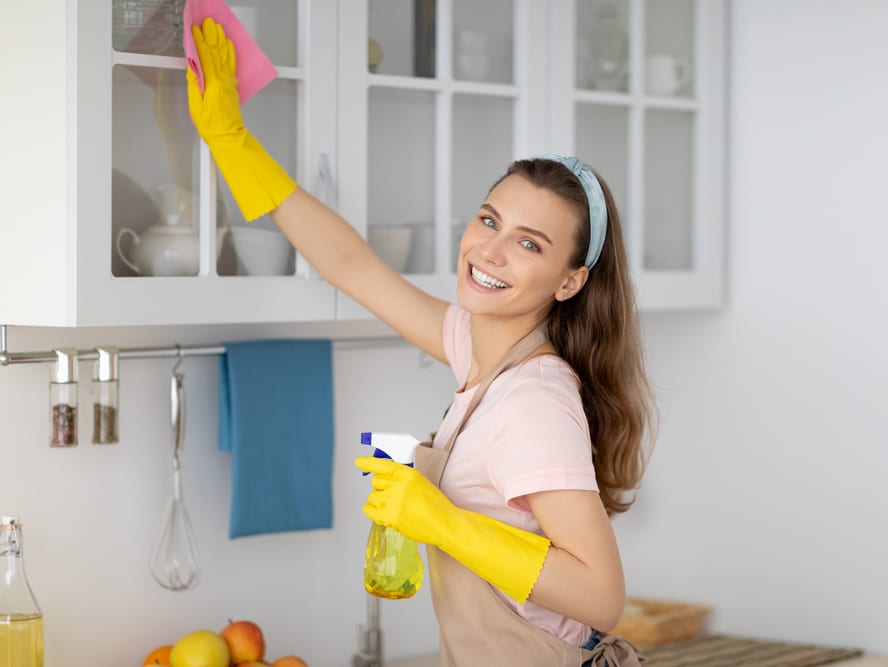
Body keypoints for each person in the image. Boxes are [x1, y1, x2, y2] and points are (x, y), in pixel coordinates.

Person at [188, 18, 654, 666]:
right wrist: (231, 141)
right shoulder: (481, 351)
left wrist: (439, 519)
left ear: (571, 280)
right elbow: (352, 264)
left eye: (528, 243)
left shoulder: (535, 401)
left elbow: (601, 595)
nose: (488, 250)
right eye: (489, 219)